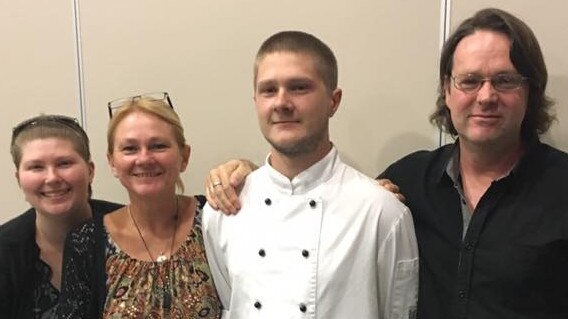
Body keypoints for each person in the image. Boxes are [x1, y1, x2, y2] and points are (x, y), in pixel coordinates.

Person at [206, 8, 568, 319]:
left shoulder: (561, 187)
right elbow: (306, 189)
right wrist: (245, 171)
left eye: (504, 80)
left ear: (531, 90)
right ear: (447, 90)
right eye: (469, 81)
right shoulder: (408, 181)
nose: (485, 96)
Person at [202, 31, 418, 318]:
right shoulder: (223, 212)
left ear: (334, 100)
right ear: (255, 101)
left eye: (299, 87)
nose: (281, 102)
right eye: (268, 90)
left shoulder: (381, 212)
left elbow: (400, 312)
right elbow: (231, 305)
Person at [56, 93, 222, 318]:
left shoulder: (215, 218)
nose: (144, 158)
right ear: (112, 162)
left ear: (184, 156)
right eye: (130, 149)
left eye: (158, 145)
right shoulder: (86, 242)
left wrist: (242, 169)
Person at [0, 115, 121, 319]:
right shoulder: (4, 251)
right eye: (36, 167)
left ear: (90, 171)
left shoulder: (135, 228)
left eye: (64, 163)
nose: (52, 178)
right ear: (18, 178)